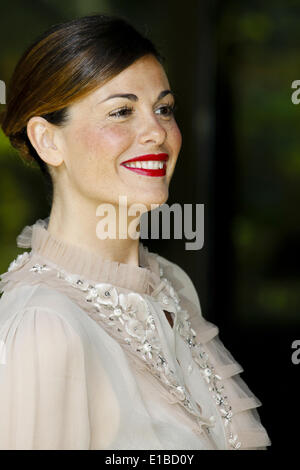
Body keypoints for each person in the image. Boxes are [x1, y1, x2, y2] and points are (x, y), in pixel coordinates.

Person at [0, 14, 271, 450]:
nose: (156, 132)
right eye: (121, 111)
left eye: (163, 109)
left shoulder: (173, 287)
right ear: (48, 141)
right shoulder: (44, 326)